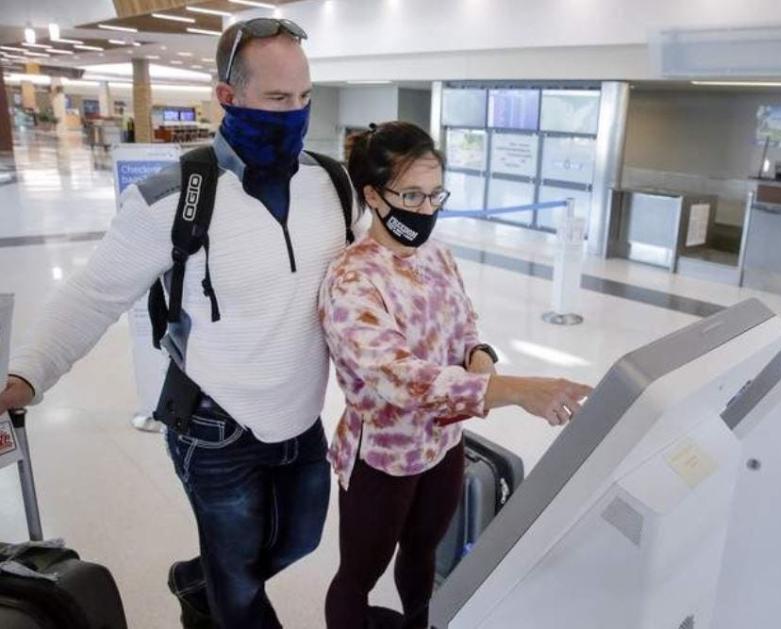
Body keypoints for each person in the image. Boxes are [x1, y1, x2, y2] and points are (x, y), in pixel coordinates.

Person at [0, 18, 355, 629]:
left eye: (304, 99)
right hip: (214, 425)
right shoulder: (174, 197)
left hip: (302, 416)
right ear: (226, 95)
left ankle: (197, 579)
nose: (294, 114)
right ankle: (217, 588)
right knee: (240, 590)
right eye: (276, 99)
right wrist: (25, 376)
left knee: (297, 542)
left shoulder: (332, 184)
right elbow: (90, 294)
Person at [321, 121, 593, 629]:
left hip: (444, 445)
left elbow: (465, 322)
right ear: (374, 196)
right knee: (358, 574)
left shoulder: (437, 255)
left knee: (423, 554)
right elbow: (399, 379)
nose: (426, 210)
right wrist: (515, 392)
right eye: (412, 195)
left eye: (434, 195)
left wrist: (482, 357)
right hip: (382, 457)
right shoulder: (352, 277)